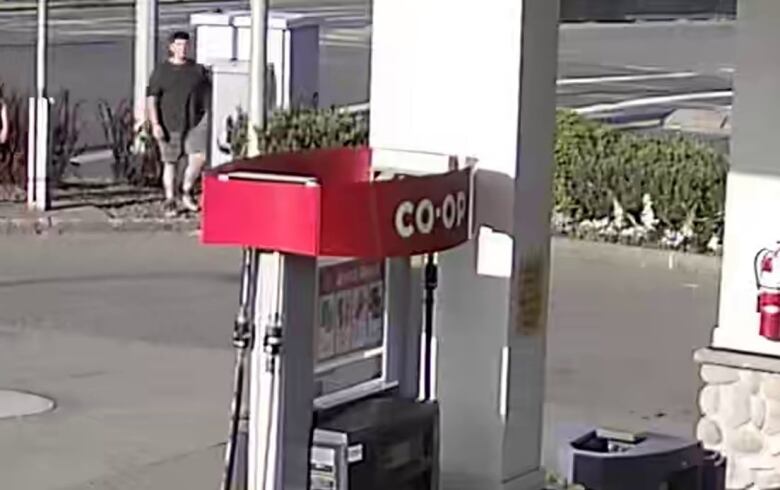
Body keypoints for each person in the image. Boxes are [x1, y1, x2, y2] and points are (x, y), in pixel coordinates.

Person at [146, 31, 211, 217]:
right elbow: (152, 98)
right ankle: (170, 199)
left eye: (186, 45)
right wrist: (155, 123)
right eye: (179, 45)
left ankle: (186, 190)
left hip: (194, 122)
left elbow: (209, 93)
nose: (183, 49)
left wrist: (206, 117)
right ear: (171, 47)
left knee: (199, 157)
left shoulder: (197, 71)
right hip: (169, 123)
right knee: (170, 162)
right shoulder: (162, 71)